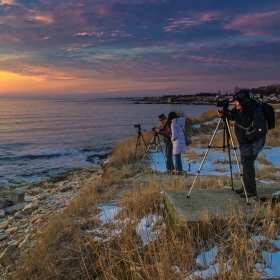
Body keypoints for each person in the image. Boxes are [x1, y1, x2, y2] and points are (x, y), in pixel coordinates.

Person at [217, 89, 267, 198]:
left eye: (237, 102)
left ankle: (251, 191)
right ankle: (246, 187)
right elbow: (233, 116)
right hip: (244, 142)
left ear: (243, 101)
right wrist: (225, 114)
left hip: (253, 142)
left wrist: (250, 136)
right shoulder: (240, 109)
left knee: (248, 163)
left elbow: (262, 130)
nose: (235, 104)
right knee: (244, 162)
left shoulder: (255, 110)